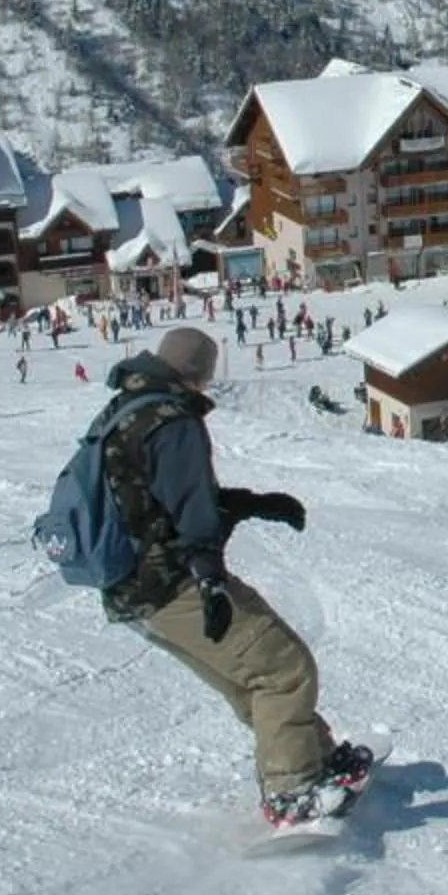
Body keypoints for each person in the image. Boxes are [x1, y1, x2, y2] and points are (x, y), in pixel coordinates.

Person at [89, 327, 369, 831]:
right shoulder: (172, 421)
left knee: (250, 678)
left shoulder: (126, 409)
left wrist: (251, 503)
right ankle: (292, 791)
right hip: (170, 583)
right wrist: (209, 580)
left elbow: (153, 497)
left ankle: (314, 759)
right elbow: (190, 510)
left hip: (131, 589)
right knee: (284, 667)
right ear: (200, 371)